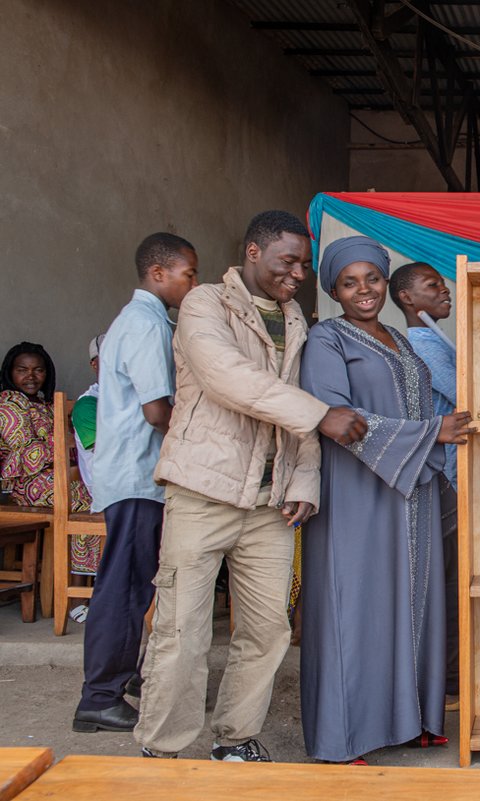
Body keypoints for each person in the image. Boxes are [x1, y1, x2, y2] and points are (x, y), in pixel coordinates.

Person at [134, 211, 368, 762]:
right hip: (202, 492)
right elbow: (227, 378)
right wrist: (321, 414)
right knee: (182, 631)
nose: (298, 274)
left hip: (270, 504)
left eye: (305, 266)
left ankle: (234, 739)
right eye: (288, 261)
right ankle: (162, 750)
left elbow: (293, 415)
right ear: (254, 251)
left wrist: (305, 478)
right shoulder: (205, 304)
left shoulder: (296, 322)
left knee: (267, 631)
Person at [300, 237, 473, 764]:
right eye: (349, 283)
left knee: (412, 600)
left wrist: (431, 440)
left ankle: (409, 719)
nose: (364, 290)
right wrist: (430, 433)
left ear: (385, 281)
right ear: (334, 289)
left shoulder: (400, 339)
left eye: (372, 278)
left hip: (413, 491)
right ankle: (347, 732)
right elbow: (335, 417)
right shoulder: (325, 340)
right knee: (357, 605)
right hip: (356, 494)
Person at [72, 233, 198, 734]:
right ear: (159, 273)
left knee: (135, 585)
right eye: (189, 274)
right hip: (136, 478)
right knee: (122, 590)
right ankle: (99, 697)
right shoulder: (145, 324)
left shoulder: (141, 320)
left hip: (135, 477)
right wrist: (200, 437)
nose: (193, 283)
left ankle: (129, 681)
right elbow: (155, 410)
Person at [388, 260, 460, 709]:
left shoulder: (433, 339)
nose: (444, 290)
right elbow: (471, 395)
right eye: (432, 286)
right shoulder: (424, 345)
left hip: (443, 471)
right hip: (444, 473)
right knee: (449, 579)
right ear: (407, 299)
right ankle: (450, 682)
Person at [0, 343, 97, 574]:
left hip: (59, 477)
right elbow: (25, 451)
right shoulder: (8, 403)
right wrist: (65, 441)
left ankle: (92, 582)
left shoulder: (47, 404)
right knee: (87, 502)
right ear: (10, 372)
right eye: (22, 370)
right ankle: (78, 584)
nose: (31, 376)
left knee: (102, 493)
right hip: (24, 484)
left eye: (38, 370)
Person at [72, 334, 104, 491]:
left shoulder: (132, 398)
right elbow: (107, 455)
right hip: (111, 491)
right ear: (94, 364)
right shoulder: (88, 404)